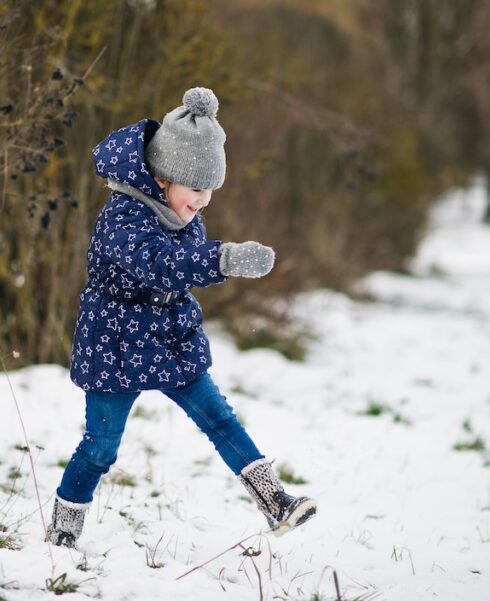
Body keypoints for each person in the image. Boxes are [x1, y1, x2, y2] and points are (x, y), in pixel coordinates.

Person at [45, 87, 317, 549]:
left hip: (170, 336)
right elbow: (162, 265)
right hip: (115, 342)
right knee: (100, 448)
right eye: (197, 188)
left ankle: (277, 504)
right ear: (164, 177)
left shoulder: (184, 215)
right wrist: (224, 258)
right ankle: (63, 531)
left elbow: (184, 266)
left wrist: (216, 258)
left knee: (220, 419)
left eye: (211, 190)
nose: (204, 200)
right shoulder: (124, 217)